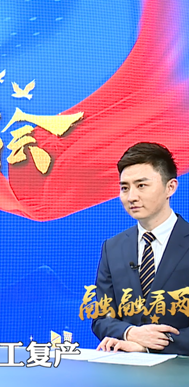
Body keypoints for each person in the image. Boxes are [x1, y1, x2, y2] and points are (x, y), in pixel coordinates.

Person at [93, 142, 188, 355]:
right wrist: (129, 333)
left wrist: (149, 345)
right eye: (124, 188)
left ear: (170, 187)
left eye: (141, 185)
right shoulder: (112, 248)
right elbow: (101, 317)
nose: (131, 197)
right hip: (125, 368)